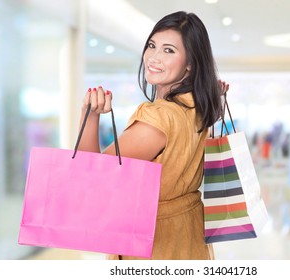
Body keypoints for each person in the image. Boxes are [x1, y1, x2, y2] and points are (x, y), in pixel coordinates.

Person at [77, 11, 226, 260]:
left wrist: (89, 115)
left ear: (190, 62)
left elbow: (91, 177)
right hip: (189, 239)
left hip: (153, 245)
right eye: (152, 45)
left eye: (169, 51)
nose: (154, 57)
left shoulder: (158, 118)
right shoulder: (199, 110)